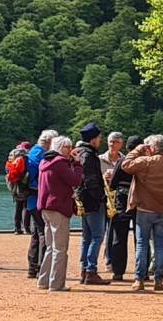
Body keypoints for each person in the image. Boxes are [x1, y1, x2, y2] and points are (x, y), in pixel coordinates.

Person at [121, 134, 163, 290]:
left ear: (152, 148)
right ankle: (159, 280)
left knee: (142, 244)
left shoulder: (146, 162)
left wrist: (136, 150)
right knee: (160, 245)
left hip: (144, 209)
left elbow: (125, 165)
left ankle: (139, 279)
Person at [35, 136, 83, 291]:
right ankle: (56, 284)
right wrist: (77, 163)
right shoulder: (60, 163)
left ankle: (43, 281)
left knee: (50, 247)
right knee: (60, 248)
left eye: (70, 147)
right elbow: (76, 180)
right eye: (67, 147)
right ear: (59, 148)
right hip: (59, 208)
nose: (70, 150)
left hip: (45, 208)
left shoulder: (44, 162)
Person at [73, 123, 110, 286]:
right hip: (92, 201)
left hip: (84, 200)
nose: (100, 140)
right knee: (97, 236)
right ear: (93, 139)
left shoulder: (80, 153)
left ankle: (85, 269)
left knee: (87, 237)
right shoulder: (89, 155)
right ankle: (91, 270)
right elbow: (90, 180)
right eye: (99, 137)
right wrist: (100, 197)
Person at [103, 132, 134, 281]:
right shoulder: (146, 163)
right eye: (111, 141)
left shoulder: (122, 161)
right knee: (141, 238)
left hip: (120, 201)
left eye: (116, 142)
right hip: (138, 203)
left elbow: (113, 183)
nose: (112, 144)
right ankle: (143, 272)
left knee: (118, 237)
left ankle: (118, 271)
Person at [23, 130, 53, 275]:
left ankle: (32, 267)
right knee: (43, 233)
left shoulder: (32, 152)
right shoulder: (39, 154)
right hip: (38, 199)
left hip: (31, 200)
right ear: (49, 142)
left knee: (36, 233)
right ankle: (42, 266)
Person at [5, 141, 31, 235]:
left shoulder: (13, 160)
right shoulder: (27, 159)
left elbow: (8, 171)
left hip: (15, 187)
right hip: (26, 186)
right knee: (26, 208)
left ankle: (17, 228)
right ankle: (26, 228)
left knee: (18, 208)